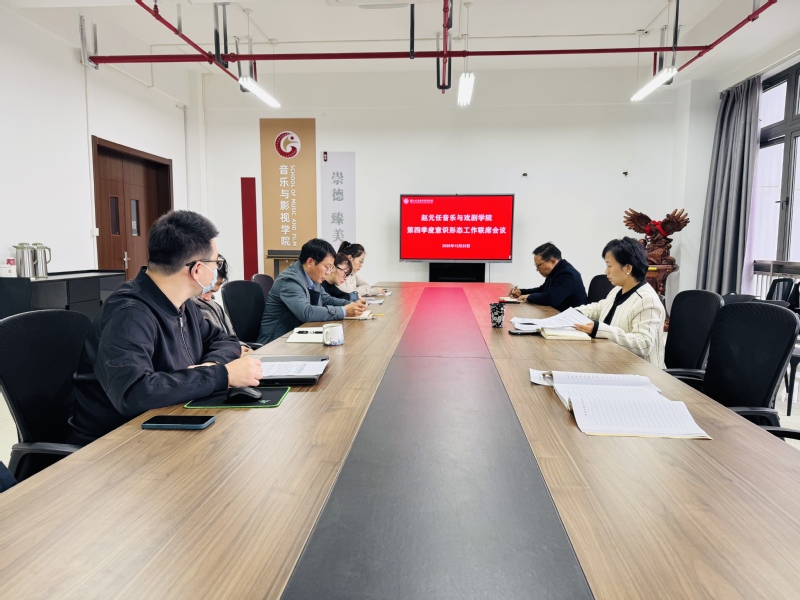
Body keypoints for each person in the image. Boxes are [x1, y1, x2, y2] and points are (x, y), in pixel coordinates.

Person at [69, 210, 263, 445]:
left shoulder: (182, 303)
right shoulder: (130, 314)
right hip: (116, 443)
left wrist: (211, 367)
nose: (216, 269)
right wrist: (223, 375)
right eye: (216, 263)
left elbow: (224, 340)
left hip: (167, 422)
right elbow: (134, 392)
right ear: (197, 269)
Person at [572, 237, 666, 367]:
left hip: (641, 371)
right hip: (614, 361)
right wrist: (573, 313)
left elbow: (643, 344)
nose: (606, 271)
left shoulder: (646, 300)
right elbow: (600, 308)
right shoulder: (618, 290)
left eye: (609, 265)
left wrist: (600, 330)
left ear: (628, 268)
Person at [258, 238, 367, 345]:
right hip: (275, 343)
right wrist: (344, 311)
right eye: (327, 267)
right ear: (310, 262)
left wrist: (351, 305)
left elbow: (327, 299)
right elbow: (306, 312)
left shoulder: (312, 277)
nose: (328, 272)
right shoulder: (290, 280)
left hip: (296, 337)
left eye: (331, 268)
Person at [190, 253, 252, 355]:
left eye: (213, 292)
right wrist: (234, 352)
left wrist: (242, 347)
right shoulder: (189, 311)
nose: (209, 298)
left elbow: (230, 337)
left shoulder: (214, 306)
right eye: (207, 290)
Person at [508, 242, 587, 311]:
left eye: (539, 265)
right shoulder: (556, 271)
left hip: (574, 320)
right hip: (559, 314)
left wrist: (528, 297)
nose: (537, 269)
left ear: (552, 261)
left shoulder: (567, 274)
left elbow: (551, 299)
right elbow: (542, 290)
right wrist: (521, 292)